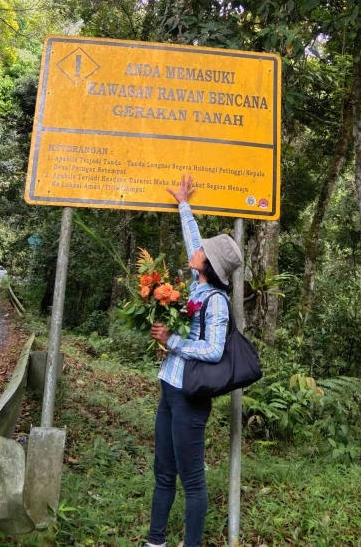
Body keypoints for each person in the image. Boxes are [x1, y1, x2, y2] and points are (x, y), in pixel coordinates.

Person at [145, 174, 243, 547]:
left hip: (190, 395)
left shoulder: (215, 300)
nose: (196, 250)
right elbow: (192, 239)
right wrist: (183, 204)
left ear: (208, 266)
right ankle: (156, 541)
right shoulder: (195, 286)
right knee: (164, 471)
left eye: (203, 251)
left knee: (192, 479)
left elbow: (214, 350)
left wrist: (174, 341)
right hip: (170, 387)